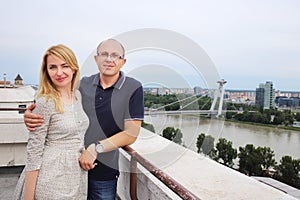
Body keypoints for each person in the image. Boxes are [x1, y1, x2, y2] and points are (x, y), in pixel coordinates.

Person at [24, 39, 144, 200]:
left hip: (103, 169)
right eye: (104, 54)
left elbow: (131, 133)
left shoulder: (133, 87)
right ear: (96, 59)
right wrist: (30, 114)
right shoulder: (81, 86)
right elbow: (54, 101)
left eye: (115, 55)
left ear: (123, 61)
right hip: (68, 172)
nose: (109, 59)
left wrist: (96, 148)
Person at [14, 44, 89, 200]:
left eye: (65, 66)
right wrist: (28, 197)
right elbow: (34, 152)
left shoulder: (77, 96)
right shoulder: (45, 102)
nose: (59, 72)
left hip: (75, 175)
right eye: (52, 67)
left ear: (74, 68)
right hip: (50, 177)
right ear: (46, 71)